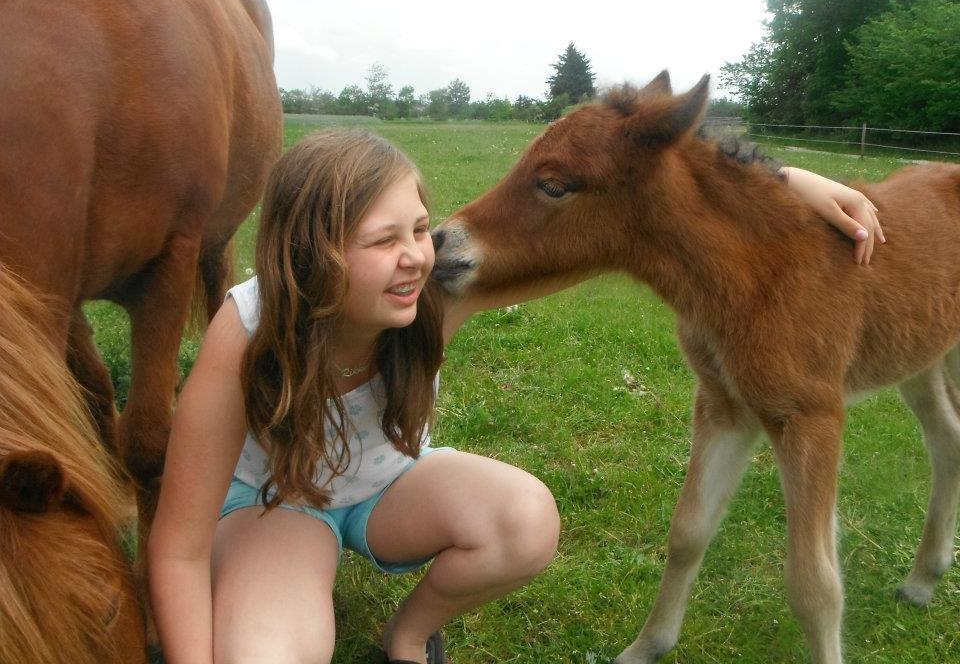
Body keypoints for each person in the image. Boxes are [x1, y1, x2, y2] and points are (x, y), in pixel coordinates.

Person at [148, 129, 884, 664]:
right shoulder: (247, 328)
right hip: (283, 506)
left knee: (524, 520)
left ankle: (406, 636)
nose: (415, 255)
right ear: (310, 254)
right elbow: (178, 548)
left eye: (418, 229)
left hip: (387, 488)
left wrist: (790, 181)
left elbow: (622, 207)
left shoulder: (433, 295)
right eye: (383, 242)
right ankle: (278, 582)